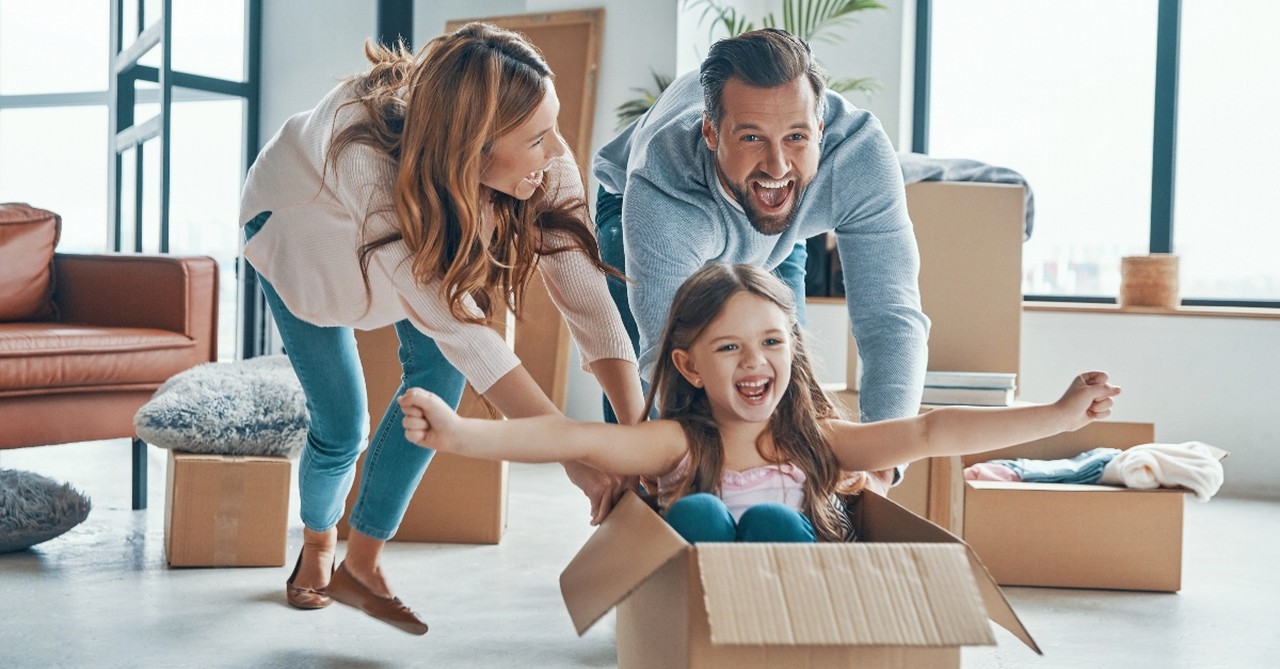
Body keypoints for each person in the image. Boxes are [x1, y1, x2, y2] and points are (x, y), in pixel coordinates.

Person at [238, 23, 644, 635]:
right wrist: (576, 456)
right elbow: (469, 334)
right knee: (342, 425)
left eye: (553, 127)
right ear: (475, 149)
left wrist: (635, 438)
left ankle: (364, 565)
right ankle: (319, 542)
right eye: (538, 139)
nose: (559, 153)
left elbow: (588, 298)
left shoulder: (540, 165)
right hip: (302, 246)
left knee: (437, 387)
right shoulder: (367, 163)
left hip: (408, 248)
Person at [398, 264, 1121, 544]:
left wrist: (1058, 416)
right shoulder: (677, 440)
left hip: (790, 619)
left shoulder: (820, 442)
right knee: (702, 512)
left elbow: (934, 429)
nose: (755, 362)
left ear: (793, 350)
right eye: (729, 348)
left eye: (772, 342)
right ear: (687, 365)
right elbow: (572, 439)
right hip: (695, 620)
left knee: (777, 516)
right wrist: (461, 434)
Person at [592, 28, 930, 494]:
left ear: (821, 130)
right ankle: (637, 514)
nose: (776, 163)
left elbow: (891, 318)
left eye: (796, 137)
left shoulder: (859, 159)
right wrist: (705, 473)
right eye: (752, 137)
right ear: (711, 133)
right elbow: (668, 355)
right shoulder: (662, 180)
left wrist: (880, 466)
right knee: (647, 431)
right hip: (636, 205)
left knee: (788, 381)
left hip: (777, 228)